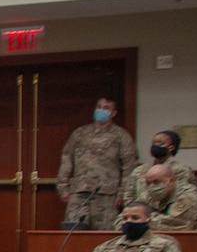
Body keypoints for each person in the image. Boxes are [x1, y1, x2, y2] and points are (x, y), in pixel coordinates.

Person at [56, 98, 139, 229]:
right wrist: (63, 186)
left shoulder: (121, 136)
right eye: (99, 107)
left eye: (106, 108)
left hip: (107, 194)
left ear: (113, 113)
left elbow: (129, 166)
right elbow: (66, 158)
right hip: (79, 191)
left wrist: (123, 193)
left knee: (103, 235)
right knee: (73, 233)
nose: (101, 110)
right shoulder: (79, 133)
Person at [78, 202, 185, 252]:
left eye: (135, 218)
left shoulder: (165, 245)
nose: (129, 222)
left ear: (148, 220)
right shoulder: (107, 246)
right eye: (125, 218)